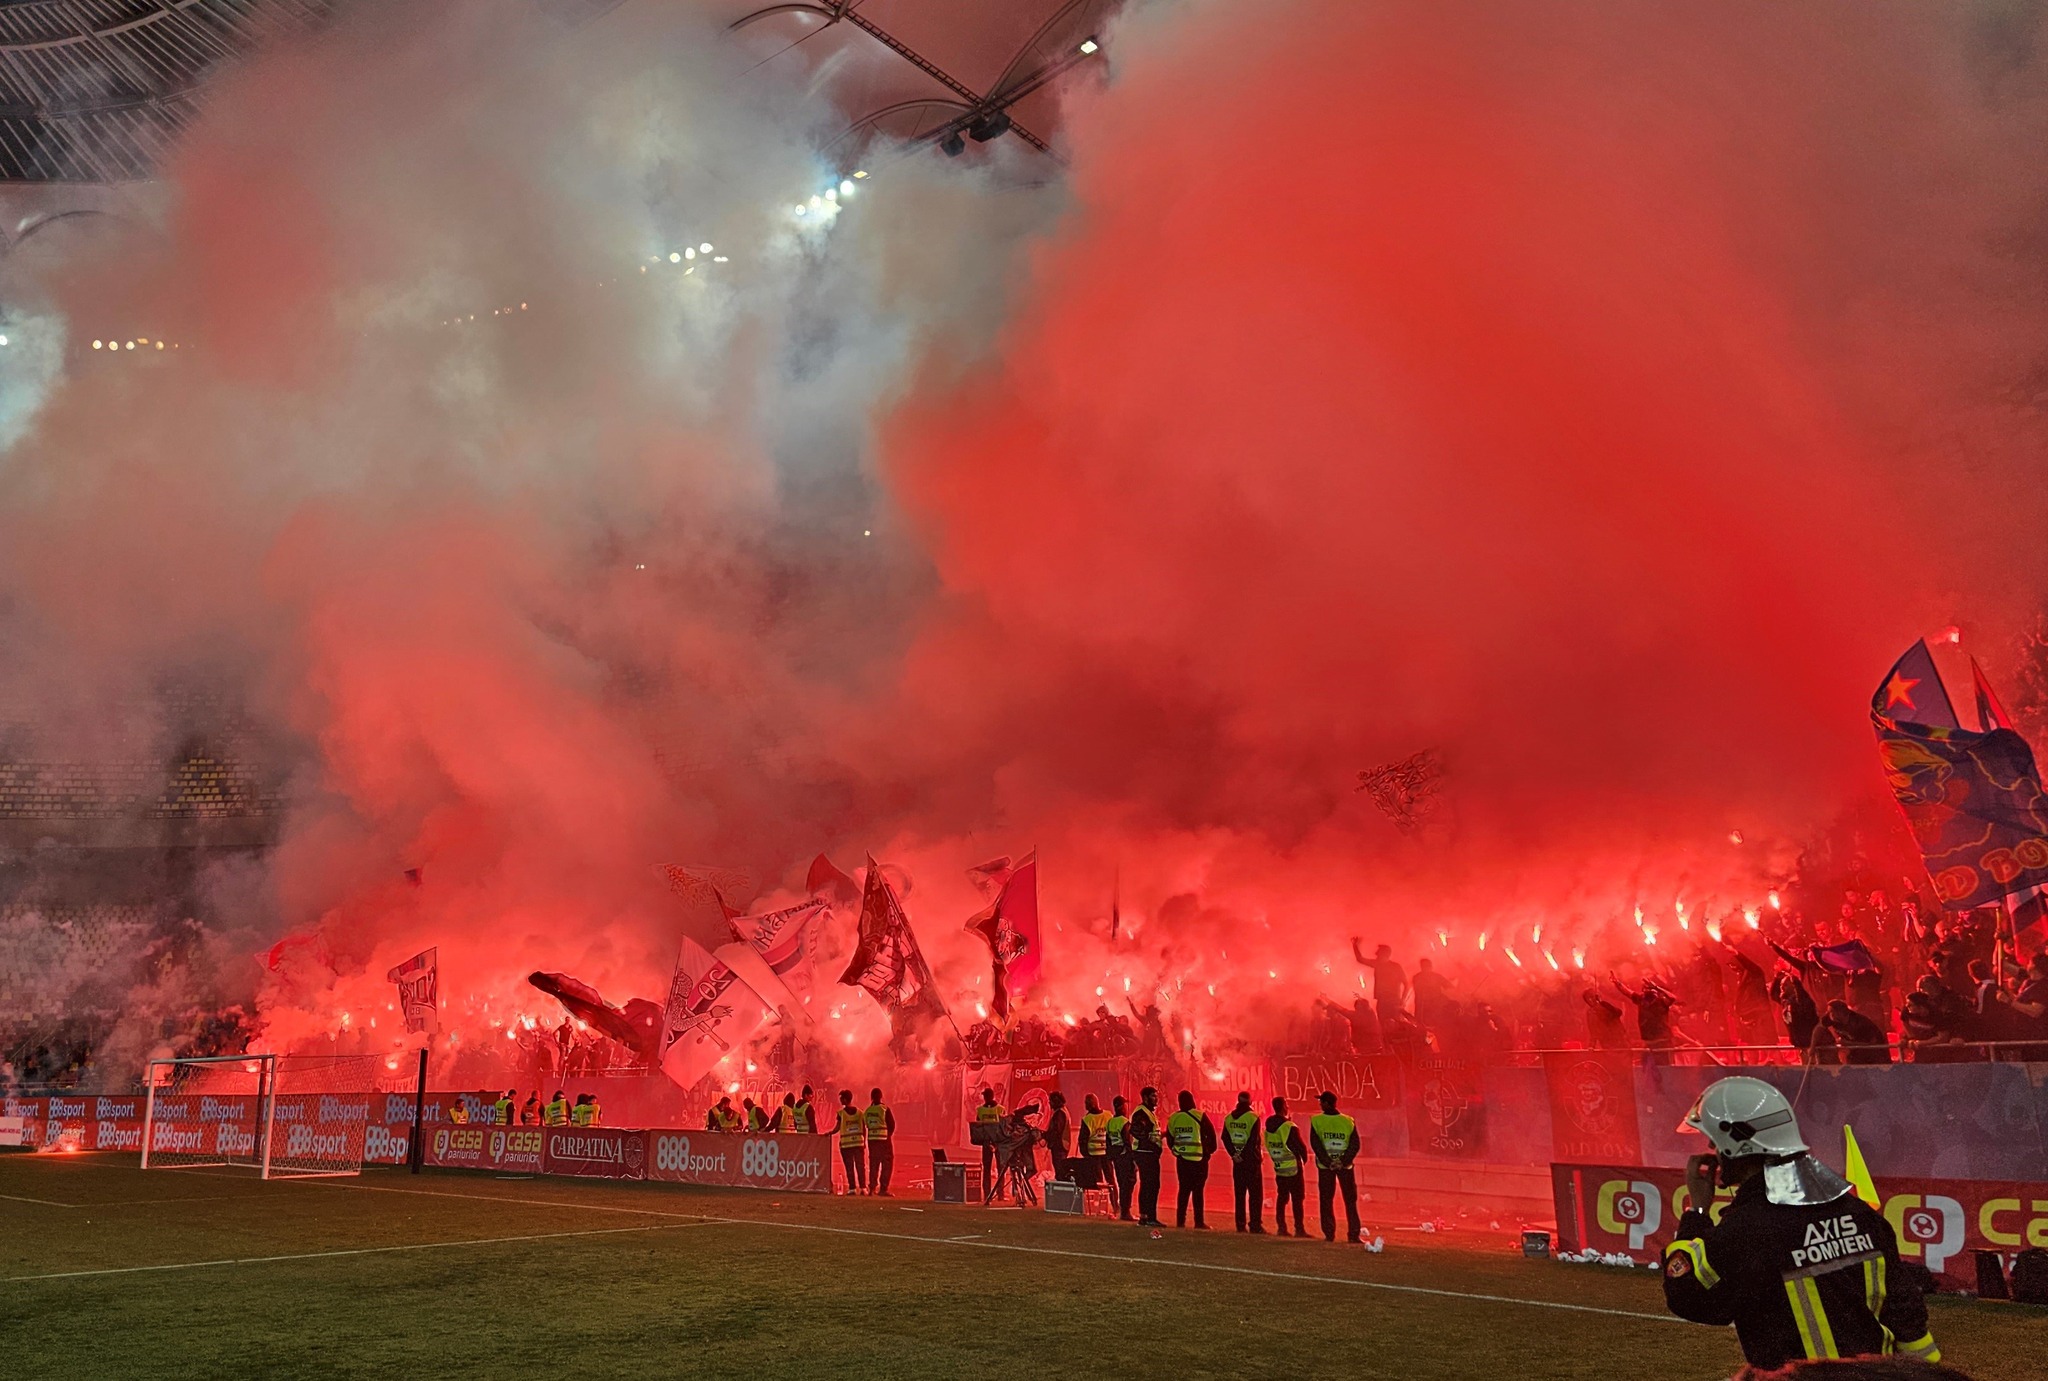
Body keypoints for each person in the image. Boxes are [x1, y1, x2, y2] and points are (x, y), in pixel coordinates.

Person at [1663, 1075, 1938, 1370]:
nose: (1712, 1151)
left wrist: (1697, 1212)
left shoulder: (1750, 1230)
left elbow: (1691, 1295)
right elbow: (1904, 1310)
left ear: (1735, 1147)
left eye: (1714, 1142)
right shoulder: (1860, 1214)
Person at [1309, 1090, 1360, 1243]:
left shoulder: (1317, 1121)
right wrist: (1343, 1161)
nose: (1319, 1104)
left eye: (1321, 1101)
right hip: (1345, 1167)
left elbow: (1316, 1144)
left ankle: (1329, 1234)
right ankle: (1354, 1234)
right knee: (1350, 1201)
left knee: (1326, 1200)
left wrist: (1328, 1161)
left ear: (1327, 1103)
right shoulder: (1348, 1121)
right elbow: (1354, 1145)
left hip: (1326, 1167)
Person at [1165, 1090, 1216, 1229]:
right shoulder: (1199, 1115)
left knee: (1183, 1191)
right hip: (1199, 1160)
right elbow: (1212, 1136)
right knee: (1198, 1192)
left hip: (1182, 1160)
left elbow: (1170, 1139)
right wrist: (1207, 1153)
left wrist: (1176, 1152)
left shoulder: (1174, 1118)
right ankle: (1198, 1222)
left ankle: (1180, 1221)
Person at [1265, 1095, 1309, 1237]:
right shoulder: (1289, 1127)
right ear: (1284, 1107)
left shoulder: (1268, 1127)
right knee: (1297, 1199)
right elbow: (1300, 1146)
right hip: (1293, 1167)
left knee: (1281, 1198)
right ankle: (1299, 1229)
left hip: (1279, 1167)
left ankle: (1281, 1228)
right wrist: (1303, 1158)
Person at [1221, 1090, 1264, 1233]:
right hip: (1251, 1162)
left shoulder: (1229, 1118)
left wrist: (1234, 1154)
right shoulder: (1253, 1117)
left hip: (1237, 1162)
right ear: (1250, 1101)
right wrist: (1244, 1155)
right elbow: (1253, 1141)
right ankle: (1255, 1225)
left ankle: (1240, 1224)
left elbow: (1225, 1138)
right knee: (1255, 1195)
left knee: (1239, 1195)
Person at [1127, 1086, 1166, 1227]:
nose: (1156, 1099)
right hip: (1145, 1153)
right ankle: (1149, 1217)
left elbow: (1151, 1133)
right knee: (1151, 1185)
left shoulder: (1149, 1113)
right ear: (1145, 1097)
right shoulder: (1141, 1112)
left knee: (1149, 1184)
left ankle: (1146, 1216)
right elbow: (1136, 1131)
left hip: (1148, 1152)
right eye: (1153, 1096)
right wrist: (1151, 1144)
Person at [1820, 1000, 1891, 1065]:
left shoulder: (1860, 1024)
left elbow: (1872, 1045)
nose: (1830, 1015)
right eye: (1828, 1012)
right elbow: (1818, 1028)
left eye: (1832, 1012)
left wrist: (1848, 1043)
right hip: (1854, 1054)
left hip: (1874, 1055)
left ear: (1841, 1012)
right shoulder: (1829, 1019)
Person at [974, 1086, 1007, 1202]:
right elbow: (1005, 1127)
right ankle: (1000, 1194)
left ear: (985, 1097)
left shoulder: (980, 1110)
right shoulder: (1001, 1109)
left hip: (986, 1143)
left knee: (987, 1169)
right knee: (1001, 1169)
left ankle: (987, 1194)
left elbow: (978, 1126)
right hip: (999, 1143)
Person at [1107, 1095, 1136, 1220]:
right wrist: (1133, 1161)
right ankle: (1126, 1212)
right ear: (1119, 1107)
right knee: (1128, 1183)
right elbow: (1128, 1142)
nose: (1126, 1107)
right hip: (1125, 1157)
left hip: (1116, 1157)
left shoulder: (1110, 1122)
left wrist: (1112, 1156)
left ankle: (1123, 1210)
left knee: (1121, 1183)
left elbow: (1108, 1141)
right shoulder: (1125, 1122)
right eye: (1124, 1104)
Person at [835, 1089, 867, 1194]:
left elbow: (837, 1128)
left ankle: (852, 1188)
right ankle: (863, 1188)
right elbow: (863, 1128)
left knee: (849, 1167)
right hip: (858, 1143)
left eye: (841, 1098)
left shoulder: (841, 1114)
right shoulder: (860, 1113)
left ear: (844, 1099)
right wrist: (864, 1142)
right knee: (860, 1166)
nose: (840, 1100)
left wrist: (829, 1133)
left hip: (846, 1145)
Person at [865, 1087, 895, 1195]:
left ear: (871, 1097)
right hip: (884, 1141)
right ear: (881, 1097)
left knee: (874, 1164)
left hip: (872, 1141)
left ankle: (872, 1188)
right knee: (887, 1164)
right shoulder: (884, 1109)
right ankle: (883, 1189)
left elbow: (866, 1125)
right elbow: (892, 1125)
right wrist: (888, 1135)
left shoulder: (867, 1111)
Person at [1076, 1093, 1109, 1191]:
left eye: (1086, 1103)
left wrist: (1085, 1154)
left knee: (1098, 1180)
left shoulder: (1087, 1119)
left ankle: (1100, 1202)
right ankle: (1115, 1203)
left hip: (1093, 1154)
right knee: (1110, 1179)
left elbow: (1082, 1139)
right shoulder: (1108, 1115)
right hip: (1106, 1153)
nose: (1085, 1106)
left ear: (1092, 1104)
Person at [1043, 1090, 1073, 1182]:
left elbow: (1056, 1131)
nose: (1049, 1103)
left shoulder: (1059, 1113)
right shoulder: (1063, 1111)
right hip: (1062, 1146)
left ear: (1055, 1101)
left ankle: (1062, 1193)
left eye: (1050, 1101)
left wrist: (1044, 1135)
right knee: (1060, 1171)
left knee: (1060, 1172)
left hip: (1059, 1146)